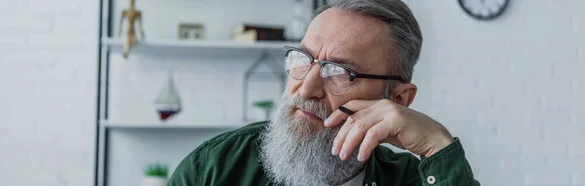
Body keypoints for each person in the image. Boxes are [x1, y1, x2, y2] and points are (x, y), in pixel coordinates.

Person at [168, 0, 480, 185]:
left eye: (339, 72)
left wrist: (438, 146)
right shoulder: (215, 168)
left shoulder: (414, 181)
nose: (306, 88)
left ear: (397, 100)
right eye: (303, 59)